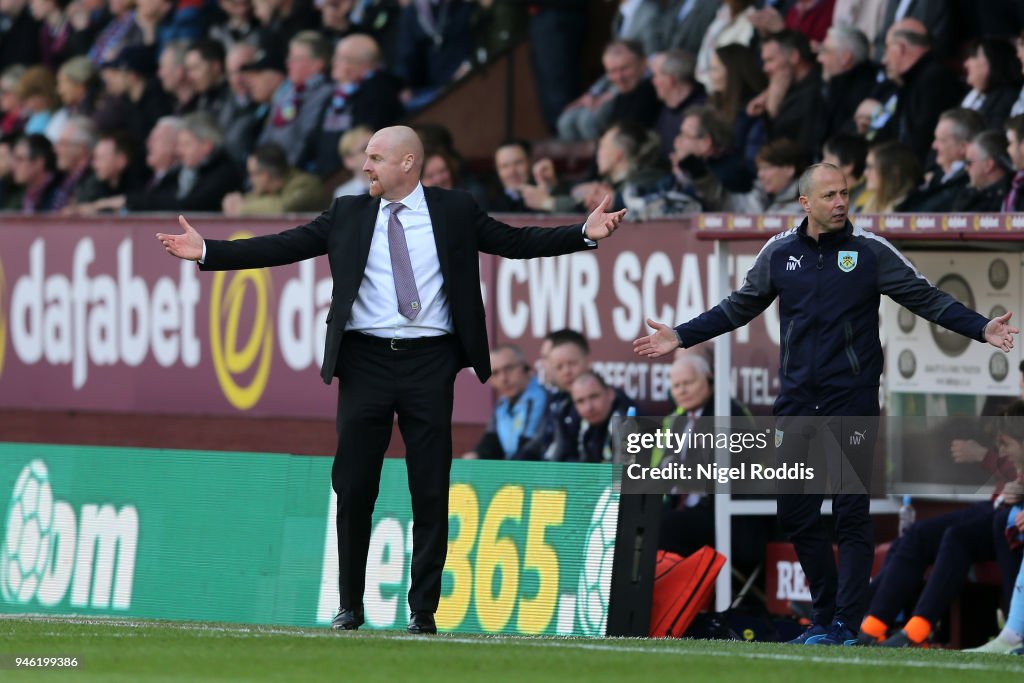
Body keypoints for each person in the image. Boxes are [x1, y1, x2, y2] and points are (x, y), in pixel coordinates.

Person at [155, 125, 626, 635]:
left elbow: (515, 242)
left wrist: (582, 233)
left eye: (376, 158)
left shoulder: (454, 210)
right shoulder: (349, 213)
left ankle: (422, 612)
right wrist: (209, 252)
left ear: (408, 163)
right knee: (355, 486)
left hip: (430, 362)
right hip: (364, 362)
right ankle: (349, 605)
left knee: (431, 488)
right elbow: (283, 246)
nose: (365, 167)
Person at [633, 162, 1018, 646]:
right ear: (805, 203)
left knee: (849, 512)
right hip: (797, 403)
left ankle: (844, 625)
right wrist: (682, 335)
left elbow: (924, 296)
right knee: (795, 512)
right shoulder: (780, 253)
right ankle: (828, 615)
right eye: (831, 195)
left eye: (846, 193)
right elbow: (739, 304)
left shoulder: (870, 251)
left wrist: (981, 328)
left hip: (850, 401)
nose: (841, 202)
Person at [462, 344, 548, 460]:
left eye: (509, 369)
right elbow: (492, 440)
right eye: (495, 373)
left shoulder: (540, 397)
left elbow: (529, 447)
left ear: (525, 367)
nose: (503, 379)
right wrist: (476, 455)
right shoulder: (502, 403)